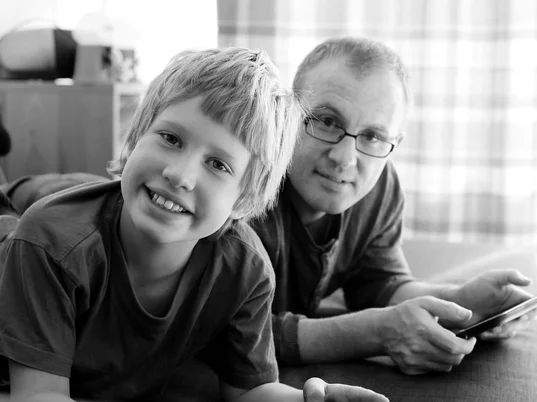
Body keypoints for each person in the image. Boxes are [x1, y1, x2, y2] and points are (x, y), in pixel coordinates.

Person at [0, 47, 389, 402]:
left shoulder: (246, 270)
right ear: (135, 138)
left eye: (218, 165)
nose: (180, 174)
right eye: (170, 138)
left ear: (244, 199)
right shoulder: (49, 243)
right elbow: (37, 396)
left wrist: (306, 400)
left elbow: (248, 392)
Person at [247, 37, 537, 401]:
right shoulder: (247, 187)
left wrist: (458, 304)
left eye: (373, 136)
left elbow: (380, 284)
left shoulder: (379, 187)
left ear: (393, 142)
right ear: (289, 114)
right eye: (327, 121)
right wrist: (376, 332)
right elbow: (235, 334)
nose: (345, 158)